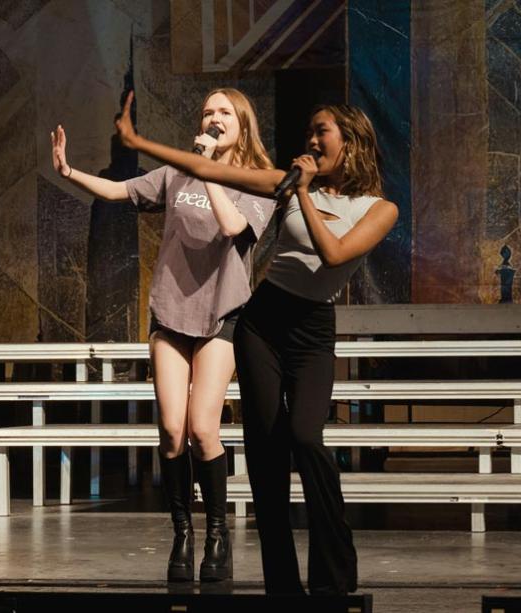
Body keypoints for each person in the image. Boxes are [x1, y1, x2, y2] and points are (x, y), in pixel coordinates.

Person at [115, 92, 398, 595]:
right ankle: (282, 586)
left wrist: (304, 192)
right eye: (308, 131)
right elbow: (212, 173)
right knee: (266, 455)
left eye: (321, 132)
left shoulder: (379, 208)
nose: (310, 140)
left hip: (312, 330)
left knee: (307, 436)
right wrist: (139, 142)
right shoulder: (284, 185)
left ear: (351, 142)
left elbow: (333, 255)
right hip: (263, 322)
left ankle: (334, 567)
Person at [51, 88, 274, 583]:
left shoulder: (259, 182)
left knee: (202, 429)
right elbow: (120, 191)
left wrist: (210, 167)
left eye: (223, 113)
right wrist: (69, 172)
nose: (213, 119)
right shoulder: (176, 172)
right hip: (172, 312)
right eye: (207, 112)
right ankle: (182, 533)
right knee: (172, 430)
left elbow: (234, 224)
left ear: (242, 123)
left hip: (224, 313)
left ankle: (218, 535)